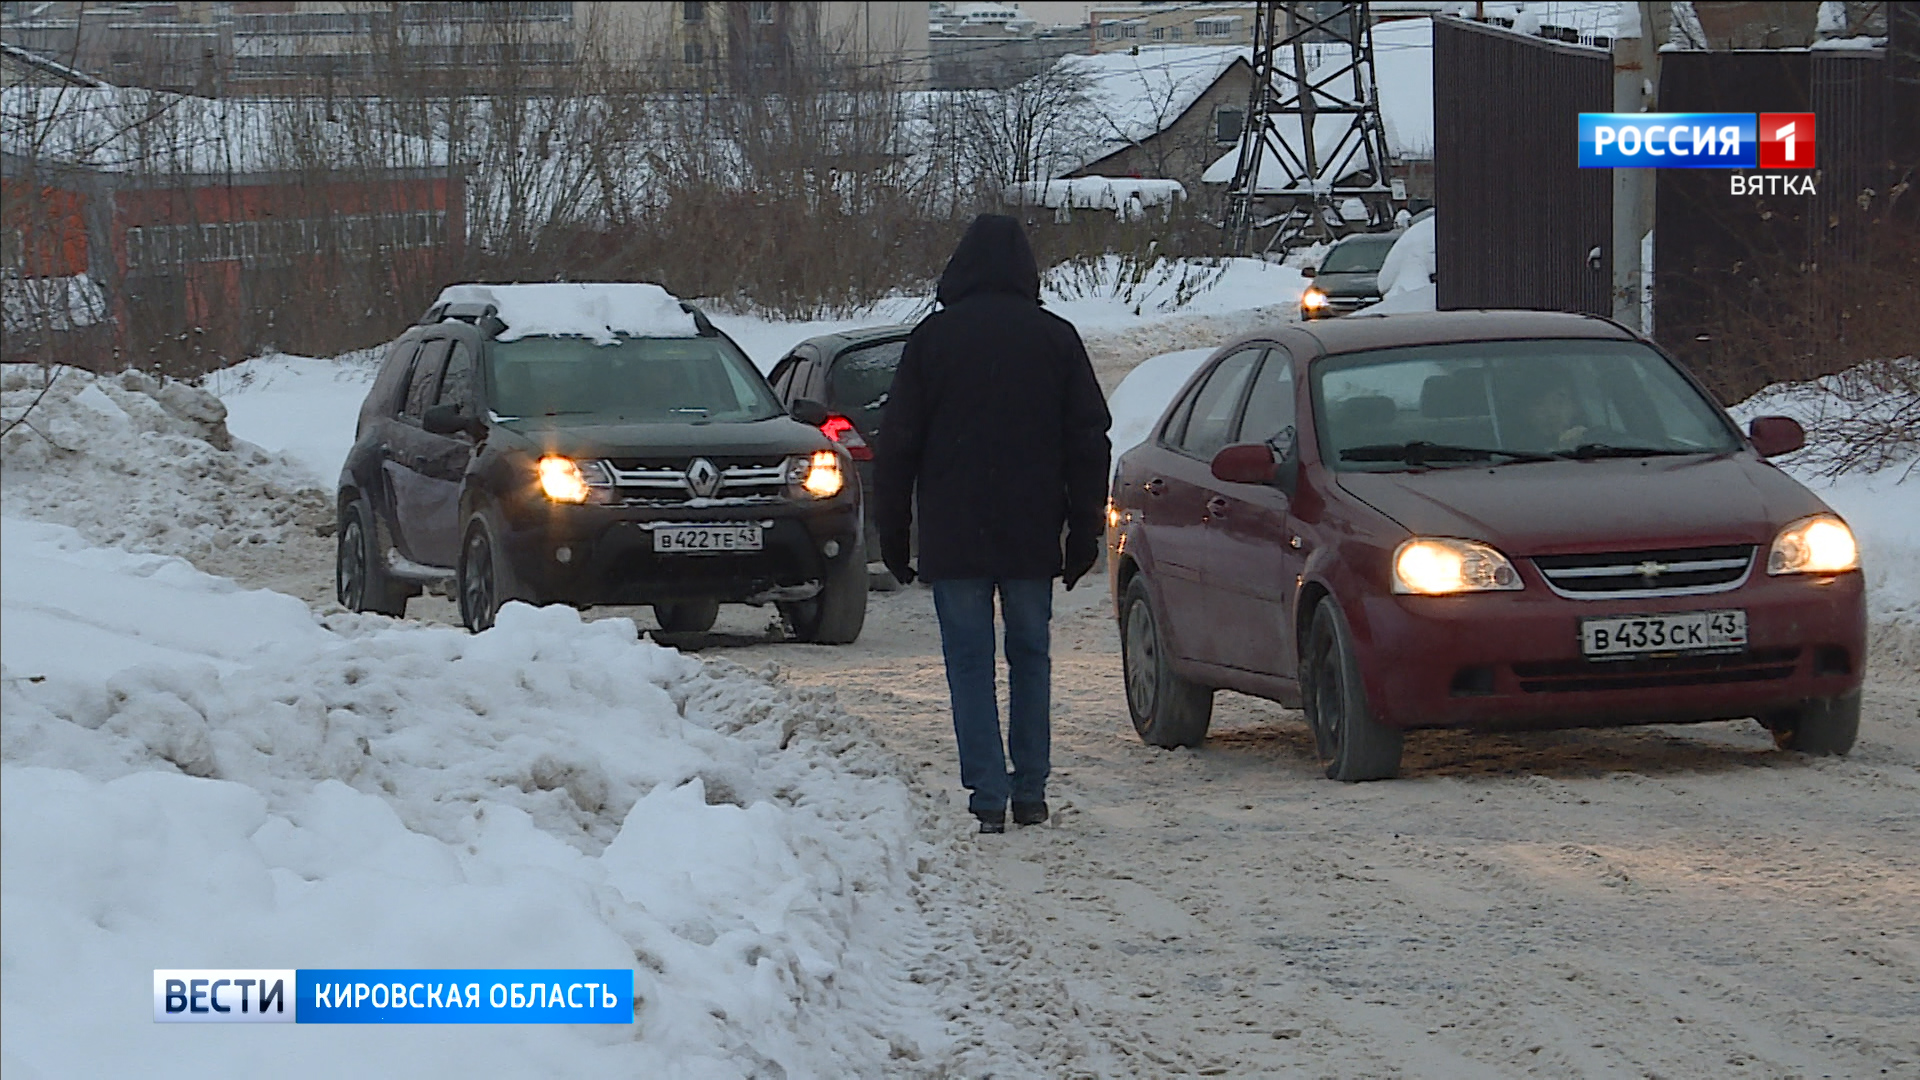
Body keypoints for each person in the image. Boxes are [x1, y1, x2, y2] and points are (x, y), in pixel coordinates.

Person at [874, 215, 1112, 835]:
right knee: (1032, 656)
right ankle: (1031, 789)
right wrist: (1084, 528)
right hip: (1033, 532)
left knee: (970, 662)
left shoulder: (932, 341)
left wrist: (894, 532)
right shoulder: (1056, 339)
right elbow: (1089, 441)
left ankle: (988, 796)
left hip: (955, 536)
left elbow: (897, 443)